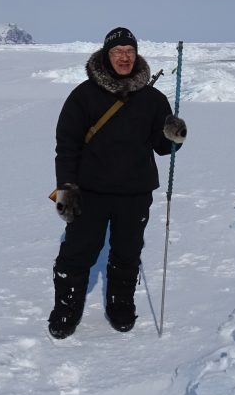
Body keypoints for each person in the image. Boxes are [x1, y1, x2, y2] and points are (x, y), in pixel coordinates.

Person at [48, 27, 187, 339]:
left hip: (135, 192)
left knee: (127, 250)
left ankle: (120, 302)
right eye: (117, 52)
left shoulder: (153, 99)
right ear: (106, 56)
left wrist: (174, 132)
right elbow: (66, 145)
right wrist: (66, 189)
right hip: (90, 192)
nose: (124, 57)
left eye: (129, 51)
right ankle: (66, 307)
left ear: (136, 55)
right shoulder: (83, 96)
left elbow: (163, 147)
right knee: (77, 251)